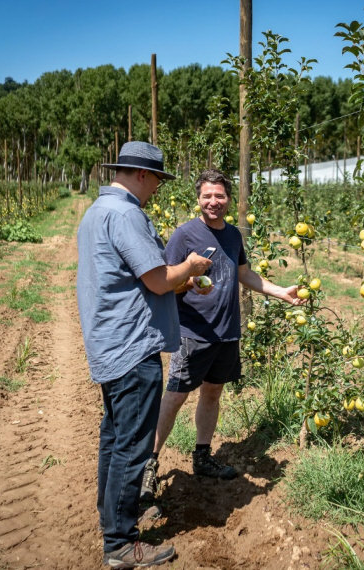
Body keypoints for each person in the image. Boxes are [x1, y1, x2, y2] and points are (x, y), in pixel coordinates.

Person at [76, 141, 213, 568]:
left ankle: (112, 512)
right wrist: (189, 268)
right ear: (141, 175)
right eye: (156, 179)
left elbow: (134, 279)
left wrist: (178, 282)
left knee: (115, 436)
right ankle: (120, 542)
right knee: (133, 445)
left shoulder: (97, 211)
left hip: (110, 341)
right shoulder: (126, 213)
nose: (156, 188)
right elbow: (155, 280)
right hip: (132, 346)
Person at [139, 168, 303, 501]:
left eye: (220, 196)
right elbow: (163, 283)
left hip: (226, 333)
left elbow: (245, 275)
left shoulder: (233, 236)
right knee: (174, 398)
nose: (214, 202)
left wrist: (281, 292)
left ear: (228, 199)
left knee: (212, 394)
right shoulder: (184, 235)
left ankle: (202, 457)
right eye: (207, 196)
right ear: (198, 199)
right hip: (193, 333)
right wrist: (188, 283)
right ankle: (148, 465)